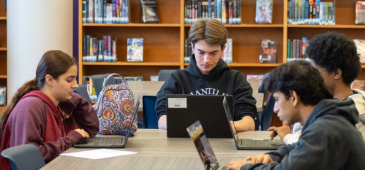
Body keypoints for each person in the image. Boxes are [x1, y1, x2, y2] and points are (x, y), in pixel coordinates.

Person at [227, 60, 365, 170]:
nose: (275, 109)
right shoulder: (324, 119)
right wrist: (272, 157)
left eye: (276, 99)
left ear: (293, 96)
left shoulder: (325, 129)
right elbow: (299, 147)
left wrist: (245, 167)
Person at [0, 50, 99, 170]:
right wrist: (70, 139)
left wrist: (77, 100)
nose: (75, 85)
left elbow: (90, 130)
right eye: (69, 80)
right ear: (50, 80)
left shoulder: (60, 104)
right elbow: (29, 157)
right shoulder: (31, 106)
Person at [155, 19, 257, 131]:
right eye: (201, 52)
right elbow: (162, 119)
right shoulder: (177, 79)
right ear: (192, 47)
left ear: (223, 49)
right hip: (185, 144)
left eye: (213, 53)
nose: (206, 60)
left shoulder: (236, 79)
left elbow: (249, 122)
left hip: (225, 144)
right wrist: (195, 128)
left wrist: (218, 127)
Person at [269, 31, 365, 143]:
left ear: (336, 73)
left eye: (315, 70)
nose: (311, 75)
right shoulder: (327, 103)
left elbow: (310, 145)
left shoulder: (348, 113)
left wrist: (287, 137)